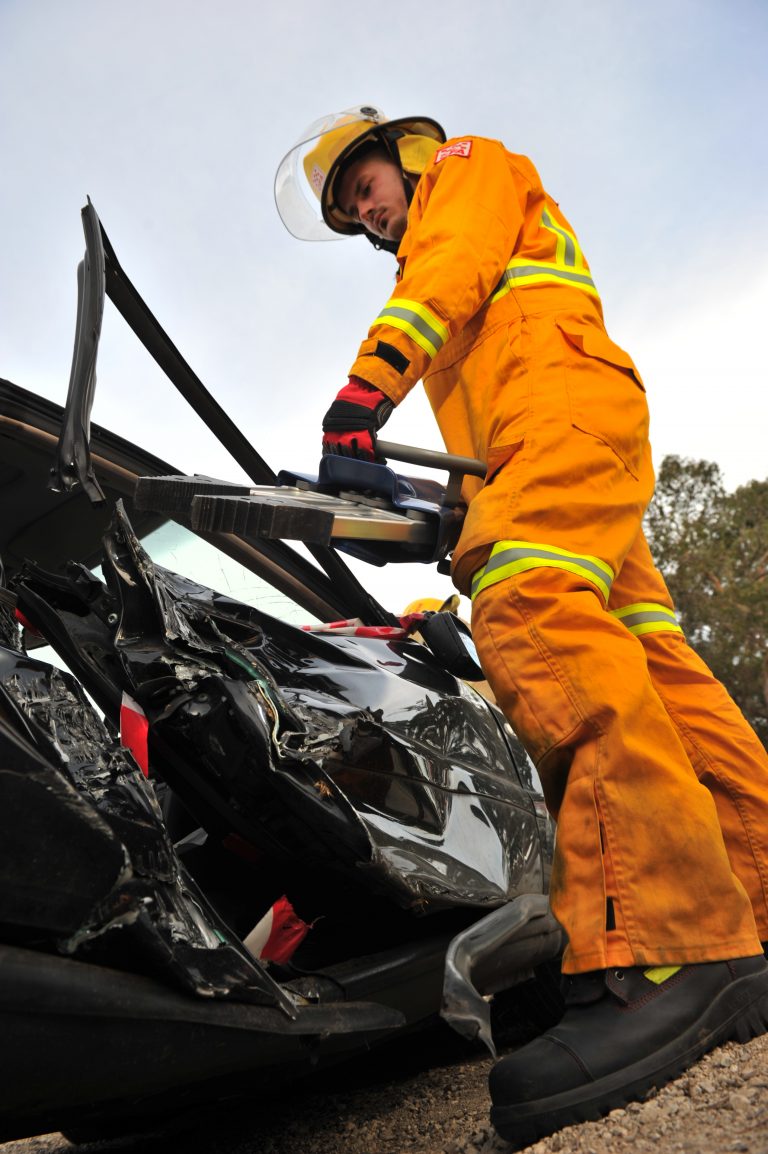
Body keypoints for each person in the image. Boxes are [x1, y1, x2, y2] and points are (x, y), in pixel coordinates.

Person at [274, 105, 768, 1146]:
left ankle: (665, 947)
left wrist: (360, 403)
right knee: (652, 665)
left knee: (532, 615)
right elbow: (485, 432)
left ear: (404, 153)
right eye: (351, 208)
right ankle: (752, 914)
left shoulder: (466, 172)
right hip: (568, 429)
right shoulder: (472, 285)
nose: (367, 212)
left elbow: (443, 270)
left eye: (365, 184)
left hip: (561, 416)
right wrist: (434, 520)